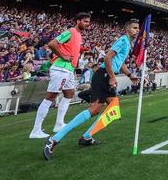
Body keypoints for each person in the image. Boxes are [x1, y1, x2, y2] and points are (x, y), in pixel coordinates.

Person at [43, 19, 140, 160]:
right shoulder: (123, 40)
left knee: (112, 108)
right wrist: (112, 77)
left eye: (138, 28)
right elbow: (107, 58)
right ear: (127, 29)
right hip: (103, 76)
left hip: (106, 76)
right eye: (134, 28)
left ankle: (86, 136)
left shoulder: (127, 43)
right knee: (97, 109)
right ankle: (54, 139)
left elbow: (120, 62)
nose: (137, 30)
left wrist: (130, 75)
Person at [29, 12, 90, 139]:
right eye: (85, 21)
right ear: (78, 21)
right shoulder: (71, 31)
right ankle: (36, 130)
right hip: (61, 68)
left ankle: (59, 123)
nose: (87, 24)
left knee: (69, 93)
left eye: (88, 22)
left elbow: (69, 48)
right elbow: (52, 44)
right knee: (51, 96)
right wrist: (63, 56)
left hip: (69, 69)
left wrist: (81, 50)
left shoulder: (78, 35)